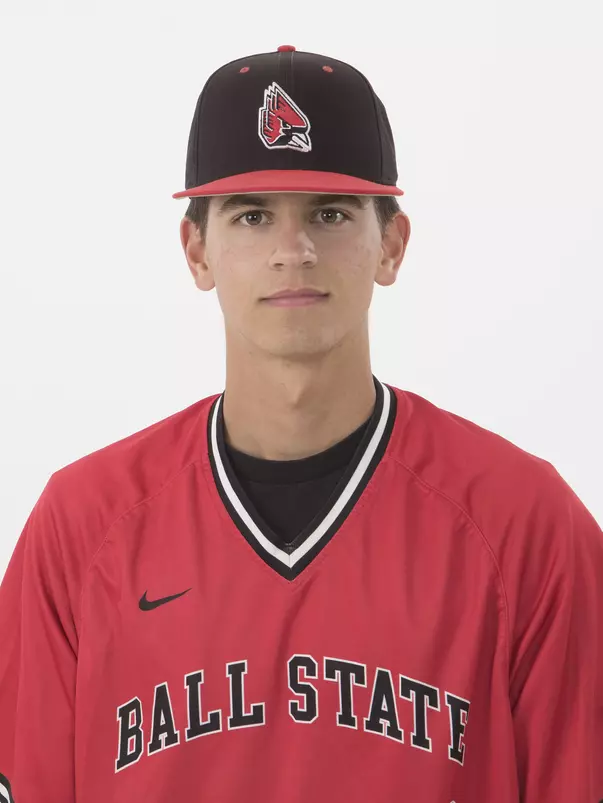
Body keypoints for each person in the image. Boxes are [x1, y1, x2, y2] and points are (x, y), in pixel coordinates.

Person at [0, 44, 601, 803]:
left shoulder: (525, 524)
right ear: (196, 250)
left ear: (391, 244)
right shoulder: (81, 526)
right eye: (252, 216)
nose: (295, 251)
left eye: (330, 212)